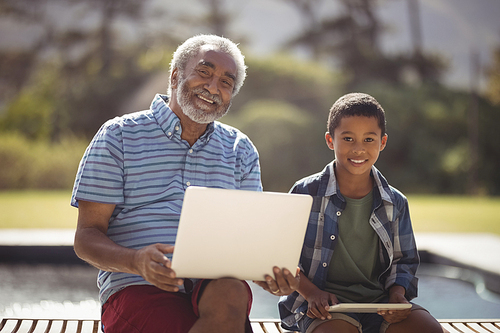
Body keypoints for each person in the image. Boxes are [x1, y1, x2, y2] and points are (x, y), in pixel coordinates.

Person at [71, 34, 297, 333]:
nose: (214, 87)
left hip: (215, 284)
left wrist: (269, 276)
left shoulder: (240, 149)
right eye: (204, 72)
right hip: (138, 284)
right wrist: (136, 261)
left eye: (226, 82)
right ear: (176, 75)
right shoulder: (119, 135)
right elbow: (86, 237)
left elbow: (247, 247)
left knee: (231, 292)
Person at [255, 93, 443, 333]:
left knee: (429, 330)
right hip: (321, 307)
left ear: (382, 142)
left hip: (379, 304)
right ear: (330, 140)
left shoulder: (395, 202)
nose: (358, 149)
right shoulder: (304, 192)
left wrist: (397, 295)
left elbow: (403, 261)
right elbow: (282, 256)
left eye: (368, 139)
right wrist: (312, 293)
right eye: (348, 138)